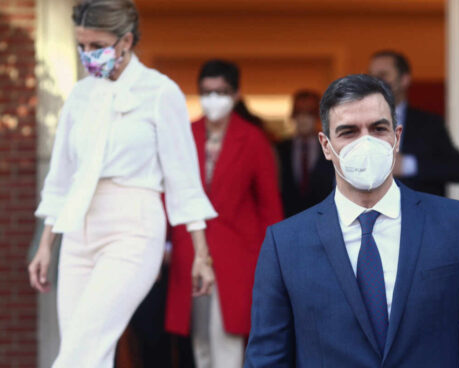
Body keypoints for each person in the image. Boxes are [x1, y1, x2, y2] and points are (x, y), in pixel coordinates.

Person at [245, 74, 459, 367]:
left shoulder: (456, 226)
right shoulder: (285, 244)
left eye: (378, 128)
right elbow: (266, 359)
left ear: (396, 137)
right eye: (348, 131)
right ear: (326, 145)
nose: (366, 142)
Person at [27, 1, 217, 367]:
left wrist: (201, 254)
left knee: (81, 349)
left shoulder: (160, 92)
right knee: (88, 353)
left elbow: (184, 179)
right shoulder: (79, 96)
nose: (87, 55)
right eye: (81, 46)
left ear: (126, 40)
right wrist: (45, 243)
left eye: (95, 46)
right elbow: (61, 178)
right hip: (79, 233)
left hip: (133, 230)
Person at [166, 59, 283, 368]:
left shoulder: (254, 139)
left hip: (238, 252)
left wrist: (274, 256)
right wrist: (164, 242)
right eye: (206, 92)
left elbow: (269, 204)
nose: (213, 99)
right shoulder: (183, 134)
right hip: (189, 248)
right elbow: (168, 192)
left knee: (228, 338)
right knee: (199, 337)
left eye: (221, 92)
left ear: (236, 93)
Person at [368, 50, 459, 197]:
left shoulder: (429, 123)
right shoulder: (357, 121)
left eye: (383, 75)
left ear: (404, 80)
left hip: (421, 214)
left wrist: (407, 165)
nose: (376, 81)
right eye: (371, 76)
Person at [276, 90, 334, 218]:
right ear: (292, 115)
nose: (303, 118)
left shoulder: (331, 147)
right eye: (299, 112)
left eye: (309, 113)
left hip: (324, 218)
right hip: (289, 219)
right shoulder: (281, 149)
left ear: (318, 116)